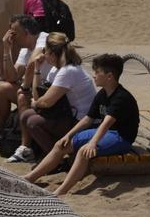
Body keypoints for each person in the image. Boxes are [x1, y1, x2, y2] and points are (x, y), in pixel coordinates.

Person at [23, 53, 139, 195]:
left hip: (121, 137)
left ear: (109, 76)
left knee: (84, 151)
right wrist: (68, 135)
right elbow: (88, 119)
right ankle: (30, 177)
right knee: (61, 145)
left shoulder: (121, 97)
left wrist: (92, 143)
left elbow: (107, 123)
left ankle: (60, 191)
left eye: (97, 72)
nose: (94, 75)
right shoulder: (102, 94)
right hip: (106, 132)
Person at [8, 32, 96, 163]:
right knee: (26, 115)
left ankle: (56, 159)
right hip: (67, 115)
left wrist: (35, 103)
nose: (43, 54)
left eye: (45, 51)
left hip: (81, 122)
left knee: (32, 121)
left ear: (53, 54)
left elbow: (46, 102)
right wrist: (37, 69)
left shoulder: (68, 71)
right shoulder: (57, 69)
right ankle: (52, 154)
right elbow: (39, 94)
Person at [0, 15, 47, 149]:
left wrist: (24, 87)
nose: (11, 36)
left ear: (27, 33)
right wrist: (6, 50)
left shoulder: (44, 39)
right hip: (38, 89)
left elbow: (32, 63)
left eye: (14, 32)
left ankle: (25, 147)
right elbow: (11, 78)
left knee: (22, 94)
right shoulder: (25, 48)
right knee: (4, 89)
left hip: (53, 93)